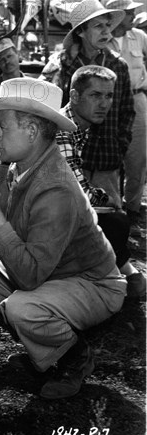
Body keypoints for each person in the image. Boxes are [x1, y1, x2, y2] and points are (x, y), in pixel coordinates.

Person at [0, 77, 126, 399]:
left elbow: (28, 277)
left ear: (30, 131)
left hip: (92, 283)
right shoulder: (21, 164)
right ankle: (45, 349)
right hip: (49, 274)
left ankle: (73, 357)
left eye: (3, 127)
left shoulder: (55, 187)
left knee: (22, 307)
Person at [56, 65, 146, 298]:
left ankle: (117, 272)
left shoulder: (81, 127)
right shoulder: (62, 130)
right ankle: (113, 277)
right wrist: (107, 201)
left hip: (58, 210)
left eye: (108, 96)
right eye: (95, 95)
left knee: (113, 217)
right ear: (74, 96)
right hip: (44, 219)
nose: (104, 103)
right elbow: (78, 194)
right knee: (116, 221)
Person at [39, 0, 135, 208]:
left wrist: (120, 146)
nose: (106, 32)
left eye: (108, 25)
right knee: (71, 221)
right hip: (69, 162)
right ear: (81, 32)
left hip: (107, 161)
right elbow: (43, 106)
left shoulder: (118, 65)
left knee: (111, 223)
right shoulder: (61, 63)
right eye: (98, 26)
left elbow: (127, 112)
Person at [105, 0, 147, 229]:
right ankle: (113, 208)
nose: (133, 16)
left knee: (138, 157)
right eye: (129, 12)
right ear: (119, 14)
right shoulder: (104, 38)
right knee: (111, 153)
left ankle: (132, 208)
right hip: (112, 101)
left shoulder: (140, 37)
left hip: (138, 98)